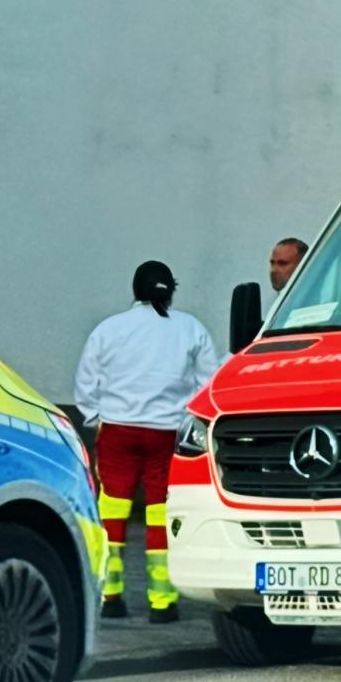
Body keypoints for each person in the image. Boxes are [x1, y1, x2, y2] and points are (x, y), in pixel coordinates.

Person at [74, 260, 220, 623]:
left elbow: (86, 384)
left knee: (112, 513)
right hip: (167, 434)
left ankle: (110, 595)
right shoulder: (191, 329)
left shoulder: (109, 329)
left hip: (118, 432)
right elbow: (208, 385)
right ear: (171, 290)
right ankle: (162, 601)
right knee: (161, 515)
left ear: (135, 290)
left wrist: (97, 418)